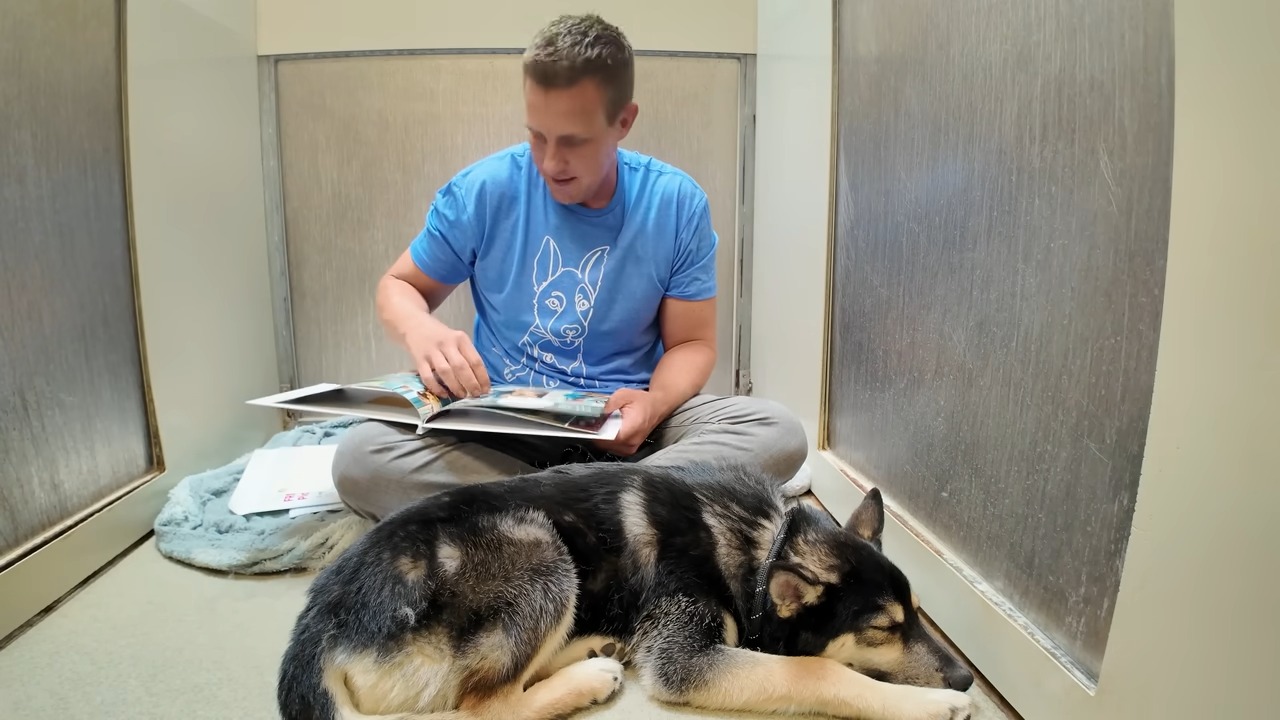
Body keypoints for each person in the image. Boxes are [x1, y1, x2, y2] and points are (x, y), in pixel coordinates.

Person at [332, 13, 808, 521]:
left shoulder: (674, 203)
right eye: (538, 136)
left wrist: (653, 404)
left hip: (629, 431)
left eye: (573, 141)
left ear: (623, 121)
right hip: (501, 431)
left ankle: (528, 517)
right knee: (361, 459)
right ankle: (610, 516)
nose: (550, 162)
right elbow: (399, 286)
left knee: (777, 433)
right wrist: (423, 332)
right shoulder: (485, 190)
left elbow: (692, 344)